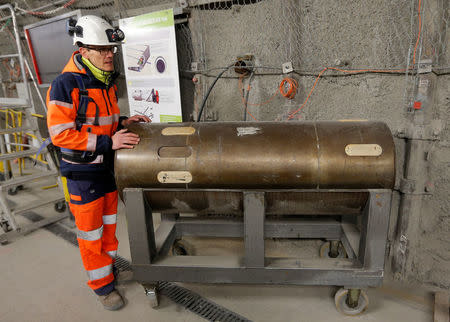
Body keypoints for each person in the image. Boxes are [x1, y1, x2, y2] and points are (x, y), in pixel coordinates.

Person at [46, 15, 150, 311]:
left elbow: (101, 121)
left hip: (104, 170)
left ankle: (109, 270)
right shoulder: (66, 85)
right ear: (82, 50)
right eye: (102, 50)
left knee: (107, 228)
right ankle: (102, 287)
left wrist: (124, 122)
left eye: (111, 50)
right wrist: (109, 142)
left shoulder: (105, 82)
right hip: (82, 174)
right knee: (91, 235)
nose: (109, 55)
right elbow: (61, 135)